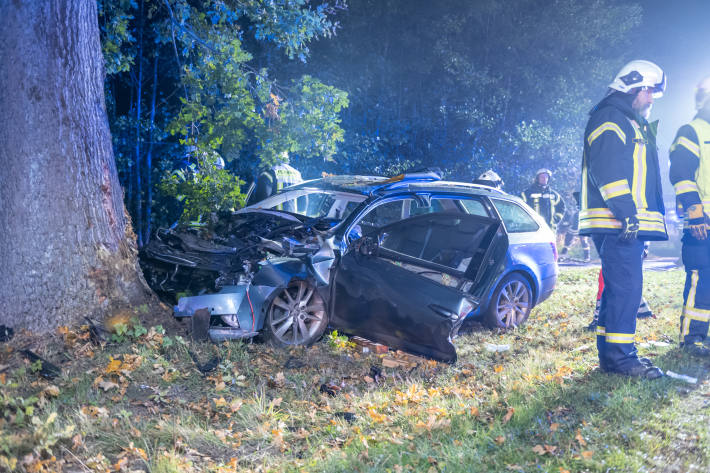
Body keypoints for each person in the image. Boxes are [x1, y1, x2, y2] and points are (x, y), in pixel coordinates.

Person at [579, 59, 667, 379]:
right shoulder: (612, 117)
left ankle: (613, 357)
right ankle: (621, 360)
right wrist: (627, 213)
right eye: (648, 90)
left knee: (619, 290)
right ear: (632, 86)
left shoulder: (624, 119)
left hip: (621, 222)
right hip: (618, 222)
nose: (652, 97)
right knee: (627, 290)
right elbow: (609, 168)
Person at [668, 75, 710, 357]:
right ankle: (692, 337)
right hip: (702, 223)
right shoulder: (692, 130)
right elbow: (681, 175)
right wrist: (695, 215)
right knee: (700, 278)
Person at [558, 191, 591, 262]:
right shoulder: (578, 206)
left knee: (581, 240)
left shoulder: (582, 206)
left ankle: (587, 257)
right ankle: (563, 256)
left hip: (580, 226)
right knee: (569, 241)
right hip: (577, 226)